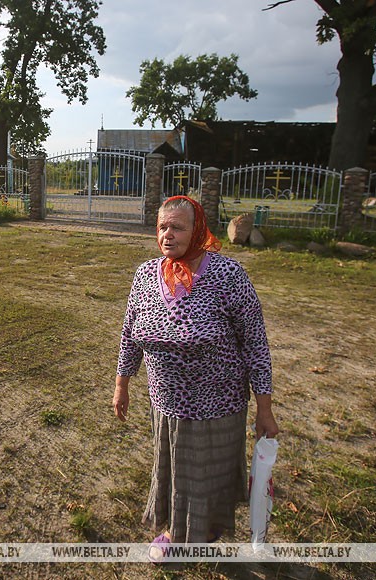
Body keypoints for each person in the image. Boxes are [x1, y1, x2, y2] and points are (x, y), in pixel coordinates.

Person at [113, 195, 279, 560]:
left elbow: (255, 343)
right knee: (176, 471)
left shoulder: (227, 275)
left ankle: (188, 535)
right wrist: (121, 385)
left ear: (197, 229)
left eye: (177, 227)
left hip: (218, 403)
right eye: (162, 227)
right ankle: (182, 530)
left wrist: (264, 409)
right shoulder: (145, 274)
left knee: (208, 473)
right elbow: (130, 332)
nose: (167, 235)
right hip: (166, 401)